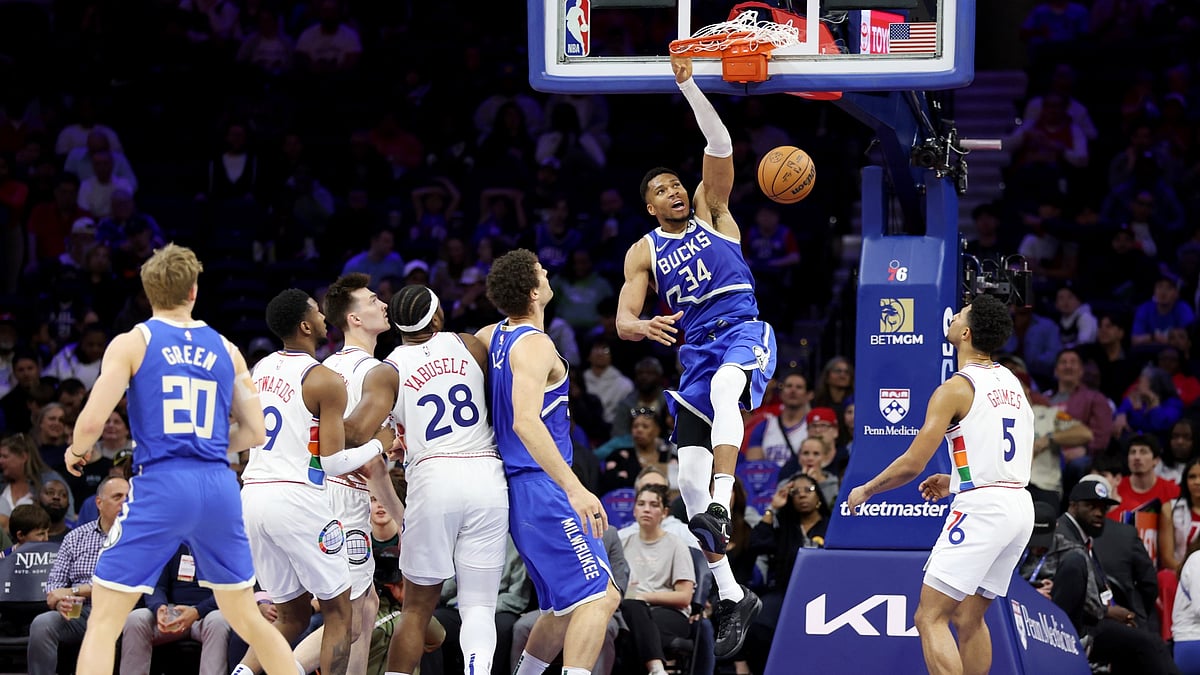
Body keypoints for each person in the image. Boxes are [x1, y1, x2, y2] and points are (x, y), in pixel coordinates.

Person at [60, 243, 298, 675]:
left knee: (104, 622)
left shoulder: (134, 341)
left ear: (148, 293)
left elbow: (92, 424)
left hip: (162, 483)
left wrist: (77, 451)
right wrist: (203, 444)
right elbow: (256, 432)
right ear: (193, 291)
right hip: (218, 485)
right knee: (248, 617)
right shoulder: (227, 348)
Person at [614, 54, 771, 659]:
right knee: (686, 474)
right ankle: (733, 595)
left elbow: (721, 139)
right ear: (649, 207)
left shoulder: (714, 211)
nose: (674, 191)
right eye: (661, 190)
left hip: (743, 330)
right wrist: (642, 324)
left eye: (676, 184)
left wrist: (691, 87)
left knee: (731, 396)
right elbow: (623, 320)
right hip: (695, 355)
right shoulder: (643, 252)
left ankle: (720, 512)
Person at [847, 293, 1035, 675]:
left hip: (984, 511)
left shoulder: (955, 388)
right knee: (969, 618)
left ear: (965, 333)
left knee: (929, 616)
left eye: (960, 314)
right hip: (1018, 505)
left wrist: (867, 489)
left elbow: (912, 464)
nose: (952, 316)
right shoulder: (1011, 381)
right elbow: (1008, 452)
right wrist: (958, 480)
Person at [478, 248, 621, 675]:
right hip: (543, 485)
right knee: (601, 596)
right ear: (534, 291)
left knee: (562, 606)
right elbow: (526, 421)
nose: (547, 272)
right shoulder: (536, 345)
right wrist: (575, 488)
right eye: (541, 271)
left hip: (520, 489)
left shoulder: (492, 335)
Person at [235, 288, 393, 675]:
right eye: (318, 314)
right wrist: (378, 444)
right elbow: (335, 462)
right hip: (296, 497)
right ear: (306, 326)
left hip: (253, 494)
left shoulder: (262, 369)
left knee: (291, 616)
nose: (325, 317)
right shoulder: (323, 379)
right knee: (340, 611)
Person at [383, 283, 510, 675]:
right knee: (479, 606)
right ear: (437, 317)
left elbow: (386, 437)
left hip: (434, 475)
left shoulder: (388, 367)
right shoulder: (470, 345)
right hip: (485, 473)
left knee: (416, 610)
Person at [295, 273, 409, 675]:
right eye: (373, 300)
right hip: (342, 496)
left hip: (321, 492)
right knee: (354, 613)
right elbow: (367, 459)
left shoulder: (328, 368)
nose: (383, 304)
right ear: (355, 320)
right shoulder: (371, 372)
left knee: (363, 609)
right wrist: (402, 518)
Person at [26, 475, 128, 675]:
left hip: (120, 613)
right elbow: (55, 583)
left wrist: (74, 590)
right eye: (117, 497)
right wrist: (58, 602)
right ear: (99, 503)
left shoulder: (138, 538)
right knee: (43, 623)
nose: (124, 502)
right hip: (77, 613)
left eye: (128, 497)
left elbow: (118, 584)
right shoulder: (75, 536)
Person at [119, 544, 232, 675]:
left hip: (206, 614)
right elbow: (156, 585)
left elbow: (229, 591)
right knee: (136, 618)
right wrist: (159, 608)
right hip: (173, 613)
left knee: (219, 621)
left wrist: (197, 611)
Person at [619, 483, 696, 675]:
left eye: (654, 504)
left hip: (670, 613)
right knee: (630, 616)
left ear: (664, 512)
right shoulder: (623, 543)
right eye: (641, 503)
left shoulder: (676, 545)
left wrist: (644, 597)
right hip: (631, 611)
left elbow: (684, 597)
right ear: (634, 510)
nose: (646, 509)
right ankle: (657, 668)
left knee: (629, 633)